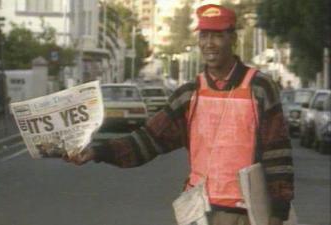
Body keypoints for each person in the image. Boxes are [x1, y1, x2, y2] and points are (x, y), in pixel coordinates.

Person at [62, 4, 294, 225]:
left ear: (233, 39)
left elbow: (278, 152)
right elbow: (148, 141)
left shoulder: (260, 88)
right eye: (204, 36)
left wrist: (278, 212)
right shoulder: (188, 95)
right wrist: (96, 152)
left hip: (246, 214)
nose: (209, 43)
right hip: (199, 212)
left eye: (217, 35)